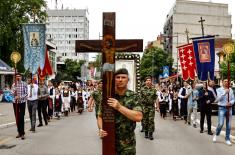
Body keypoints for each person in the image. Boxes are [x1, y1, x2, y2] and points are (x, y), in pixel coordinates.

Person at [98, 68, 143, 155]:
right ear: (114, 80)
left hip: (127, 144)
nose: (120, 80)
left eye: (123, 77)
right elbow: (100, 116)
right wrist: (101, 128)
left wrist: (119, 107)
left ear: (128, 80)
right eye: (117, 77)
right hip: (109, 140)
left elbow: (138, 117)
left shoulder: (134, 96)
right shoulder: (108, 96)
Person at [213, 79, 235, 145]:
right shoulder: (218, 90)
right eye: (225, 81)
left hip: (229, 109)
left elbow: (233, 99)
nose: (226, 82)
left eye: (227, 81)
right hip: (222, 108)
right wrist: (225, 92)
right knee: (221, 123)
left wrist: (231, 103)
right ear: (222, 82)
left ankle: (227, 139)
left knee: (228, 125)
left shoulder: (231, 90)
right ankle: (216, 134)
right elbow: (218, 99)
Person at [11, 73, 28, 140]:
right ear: (15, 77)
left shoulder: (24, 84)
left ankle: (22, 133)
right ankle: (19, 132)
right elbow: (11, 92)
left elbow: (26, 93)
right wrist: (15, 95)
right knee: (17, 118)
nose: (18, 77)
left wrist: (20, 97)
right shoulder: (14, 84)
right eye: (17, 76)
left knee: (21, 117)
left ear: (21, 77)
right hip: (15, 103)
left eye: (19, 76)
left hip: (22, 102)